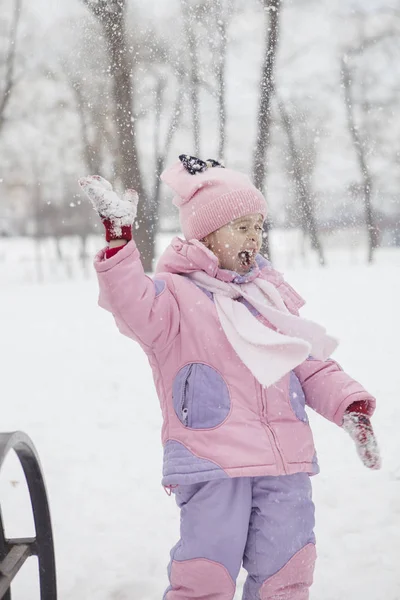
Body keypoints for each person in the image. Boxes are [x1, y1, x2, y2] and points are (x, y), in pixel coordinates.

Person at [79, 154, 381, 600]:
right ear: (205, 233)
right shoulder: (175, 296)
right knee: (205, 573)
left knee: (288, 570)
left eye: (259, 227)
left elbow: (310, 361)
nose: (254, 238)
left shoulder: (269, 295)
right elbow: (130, 303)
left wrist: (349, 405)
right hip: (213, 460)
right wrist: (121, 242)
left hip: (284, 463)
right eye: (241, 227)